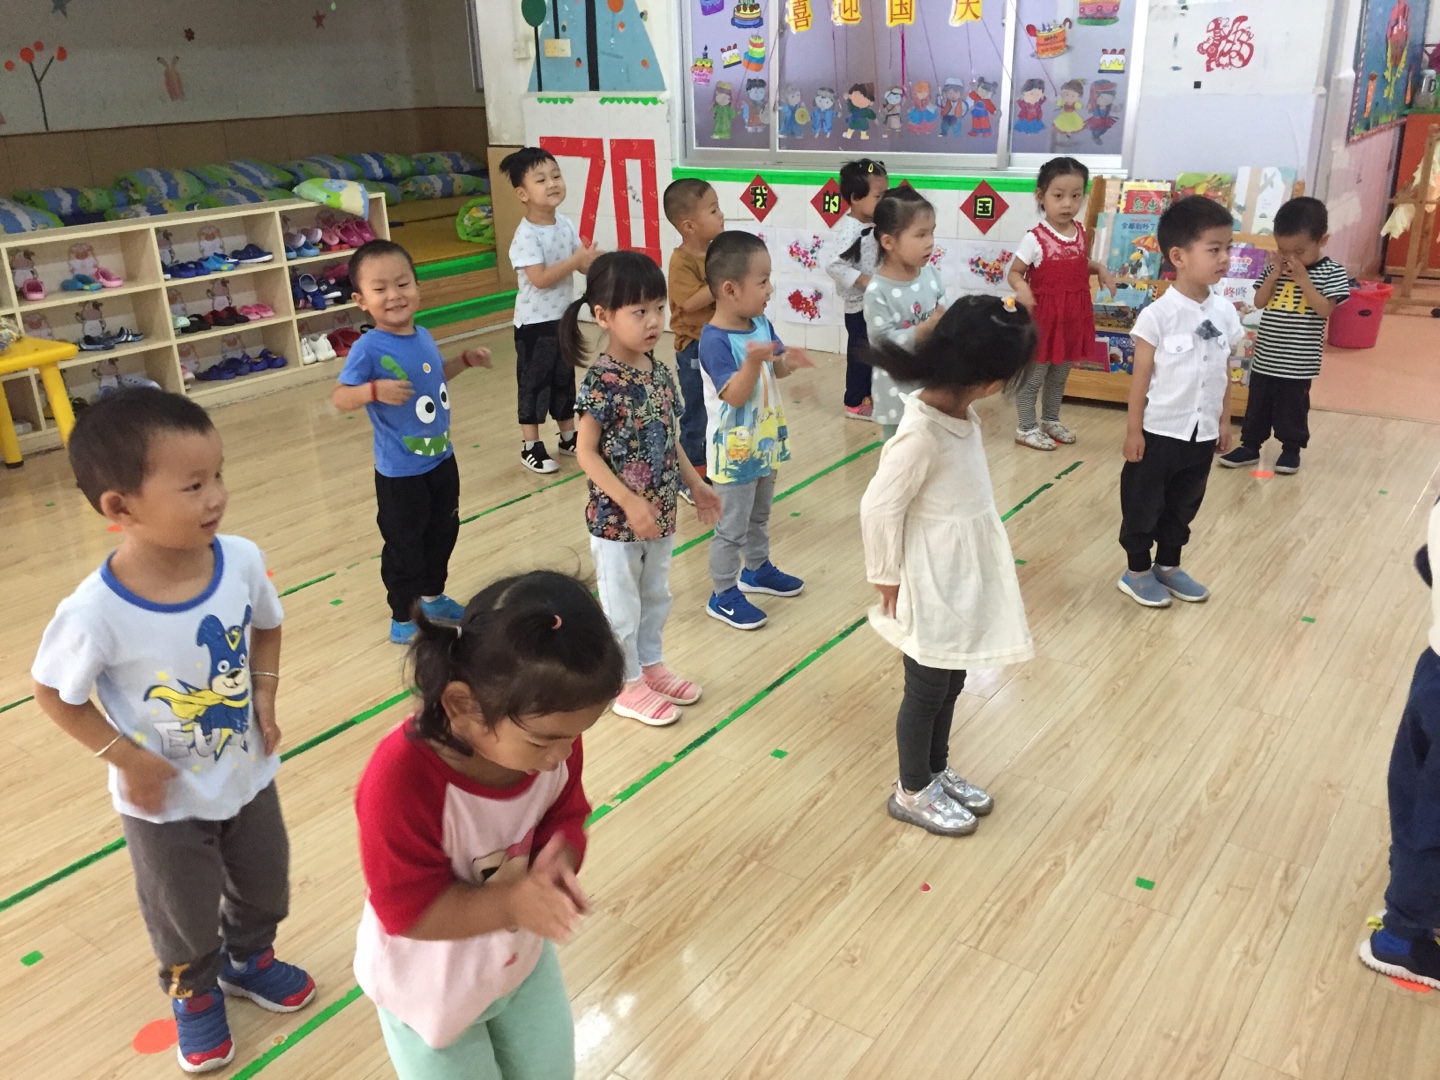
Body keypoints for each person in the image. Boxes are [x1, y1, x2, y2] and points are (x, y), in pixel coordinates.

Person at [31, 388, 315, 1074]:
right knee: (181, 911)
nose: (216, 496)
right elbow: (53, 693)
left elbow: (267, 626)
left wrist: (266, 694)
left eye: (218, 474)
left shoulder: (239, 559)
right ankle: (194, 992)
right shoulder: (95, 613)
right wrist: (126, 758)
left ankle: (249, 959)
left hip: (246, 772)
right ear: (120, 508)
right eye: (193, 485)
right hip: (163, 805)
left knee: (265, 881)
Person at [353, 572, 625, 1080]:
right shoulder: (400, 778)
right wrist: (513, 903)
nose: (564, 753)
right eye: (546, 740)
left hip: (519, 963)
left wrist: (560, 857)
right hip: (429, 987)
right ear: (463, 706)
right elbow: (407, 909)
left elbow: (566, 814)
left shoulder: (551, 739)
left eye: (576, 735)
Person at [860, 296, 1037, 835]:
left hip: (961, 575)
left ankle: (934, 770)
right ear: (988, 381)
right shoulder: (921, 436)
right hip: (932, 581)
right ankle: (912, 788)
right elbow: (878, 507)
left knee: (953, 676)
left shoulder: (961, 414)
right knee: (926, 689)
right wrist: (886, 576)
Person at [561, 251, 721, 726]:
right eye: (639, 311)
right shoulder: (602, 381)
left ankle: (650, 665)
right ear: (603, 316)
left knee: (656, 597)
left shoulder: (658, 370)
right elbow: (586, 452)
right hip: (617, 522)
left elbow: (669, 437)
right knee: (622, 606)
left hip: (661, 514)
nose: (654, 321)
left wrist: (697, 484)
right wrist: (629, 502)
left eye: (658, 308)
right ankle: (625, 682)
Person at [333, 239, 492, 644]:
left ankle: (433, 597)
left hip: (442, 459)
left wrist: (464, 361)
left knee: (443, 532)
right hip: (400, 473)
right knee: (405, 544)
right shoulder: (368, 348)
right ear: (361, 300)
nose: (394, 295)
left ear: (417, 287)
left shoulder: (422, 334)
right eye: (380, 288)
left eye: (402, 283)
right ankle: (403, 616)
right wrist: (372, 391)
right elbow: (340, 397)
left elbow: (434, 378)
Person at [1118, 196, 1243, 608]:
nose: (1225, 258)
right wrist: (1133, 431)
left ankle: (1168, 565)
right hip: (1159, 433)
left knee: (1184, 505)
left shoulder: (1225, 312)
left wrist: (1224, 422)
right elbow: (1140, 381)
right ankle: (1137, 570)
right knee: (1143, 505)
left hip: (1201, 434)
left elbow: (1223, 372)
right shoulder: (1157, 316)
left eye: (1228, 248)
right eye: (1214, 249)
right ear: (1179, 257)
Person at [699, 230, 815, 631]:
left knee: (759, 516)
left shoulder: (760, 323)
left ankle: (757, 569)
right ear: (730, 290)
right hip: (732, 453)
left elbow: (775, 367)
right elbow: (734, 396)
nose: (770, 289)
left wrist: (788, 362)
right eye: (763, 281)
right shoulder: (714, 340)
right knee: (731, 527)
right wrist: (752, 361)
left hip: (763, 442)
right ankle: (722, 593)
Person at [1359, 501, 1440, 990]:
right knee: (1430, 817)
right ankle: (1403, 937)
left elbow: (1426, 560)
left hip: (1435, 668)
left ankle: (1410, 920)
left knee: (1419, 806)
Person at [1218, 196, 1349, 475]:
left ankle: (1291, 450)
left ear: (1322, 240)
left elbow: (1325, 310)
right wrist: (1272, 276)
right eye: (1283, 250)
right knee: (1257, 408)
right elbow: (1260, 301)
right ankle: (1250, 447)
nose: (1290, 258)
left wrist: (1304, 281)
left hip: (1298, 363)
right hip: (1266, 359)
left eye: (1299, 251)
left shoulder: (1332, 272)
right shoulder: (1274, 269)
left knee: (1293, 410)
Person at [500, 147, 603, 475]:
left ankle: (568, 437)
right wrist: (575, 261)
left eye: (556, 175)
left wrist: (592, 261)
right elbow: (541, 279)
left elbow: (580, 265)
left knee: (563, 379)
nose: (553, 183)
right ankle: (530, 446)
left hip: (562, 319)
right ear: (523, 194)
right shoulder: (525, 235)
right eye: (541, 179)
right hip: (534, 324)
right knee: (534, 383)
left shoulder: (565, 224)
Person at [1008, 156, 1116, 451]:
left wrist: (1100, 268)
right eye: (1058, 196)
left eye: (1076, 196)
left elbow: (1079, 262)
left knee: (1059, 376)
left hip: (1072, 317)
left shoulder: (1080, 232)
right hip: (1044, 319)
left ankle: (1050, 420)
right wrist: (1023, 289)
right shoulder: (1035, 238)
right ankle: (1025, 427)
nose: (1067, 204)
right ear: (1040, 196)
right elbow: (1014, 272)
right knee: (1034, 378)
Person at [864, 186, 947, 440]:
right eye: (920, 234)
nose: (930, 241)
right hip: (897, 390)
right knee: (899, 451)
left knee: (932, 445)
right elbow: (882, 343)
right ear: (888, 242)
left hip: (931, 380)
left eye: (932, 232)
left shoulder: (930, 273)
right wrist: (924, 328)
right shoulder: (877, 291)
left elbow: (944, 313)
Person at [663, 178, 727, 502]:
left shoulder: (718, 251)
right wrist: (722, 281)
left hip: (720, 343)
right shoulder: (682, 261)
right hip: (694, 347)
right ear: (689, 225)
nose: (722, 215)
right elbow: (688, 303)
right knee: (697, 413)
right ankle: (689, 477)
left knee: (720, 408)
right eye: (713, 210)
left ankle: (715, 466)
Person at [825, 158, 888, 421]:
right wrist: (864, 280)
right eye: (878, 196)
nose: (883, 201)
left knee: (874, 353)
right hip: (858, 307)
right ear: (855, 198)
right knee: (861, 356)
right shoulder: (850, 230)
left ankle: (870, 397)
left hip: (873, 303)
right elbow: (833, 265)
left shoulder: (871, 224)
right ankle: (854, 402)